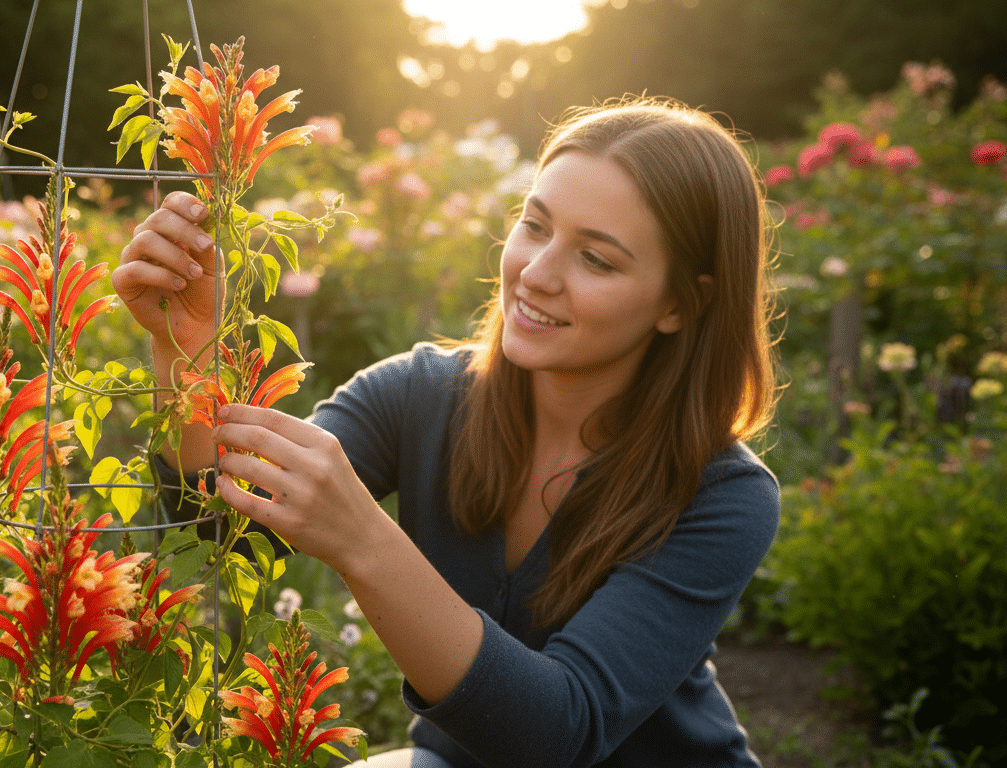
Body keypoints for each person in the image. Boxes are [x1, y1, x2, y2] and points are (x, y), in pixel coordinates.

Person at [112, 96, 781, 768]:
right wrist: (188, 348)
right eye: (535, 226)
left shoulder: (723, 494)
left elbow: (555, 734)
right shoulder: (419, 394)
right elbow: (226, 536)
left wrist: (364, 541)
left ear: (679, 304)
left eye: (596, 260)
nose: (537, 273)